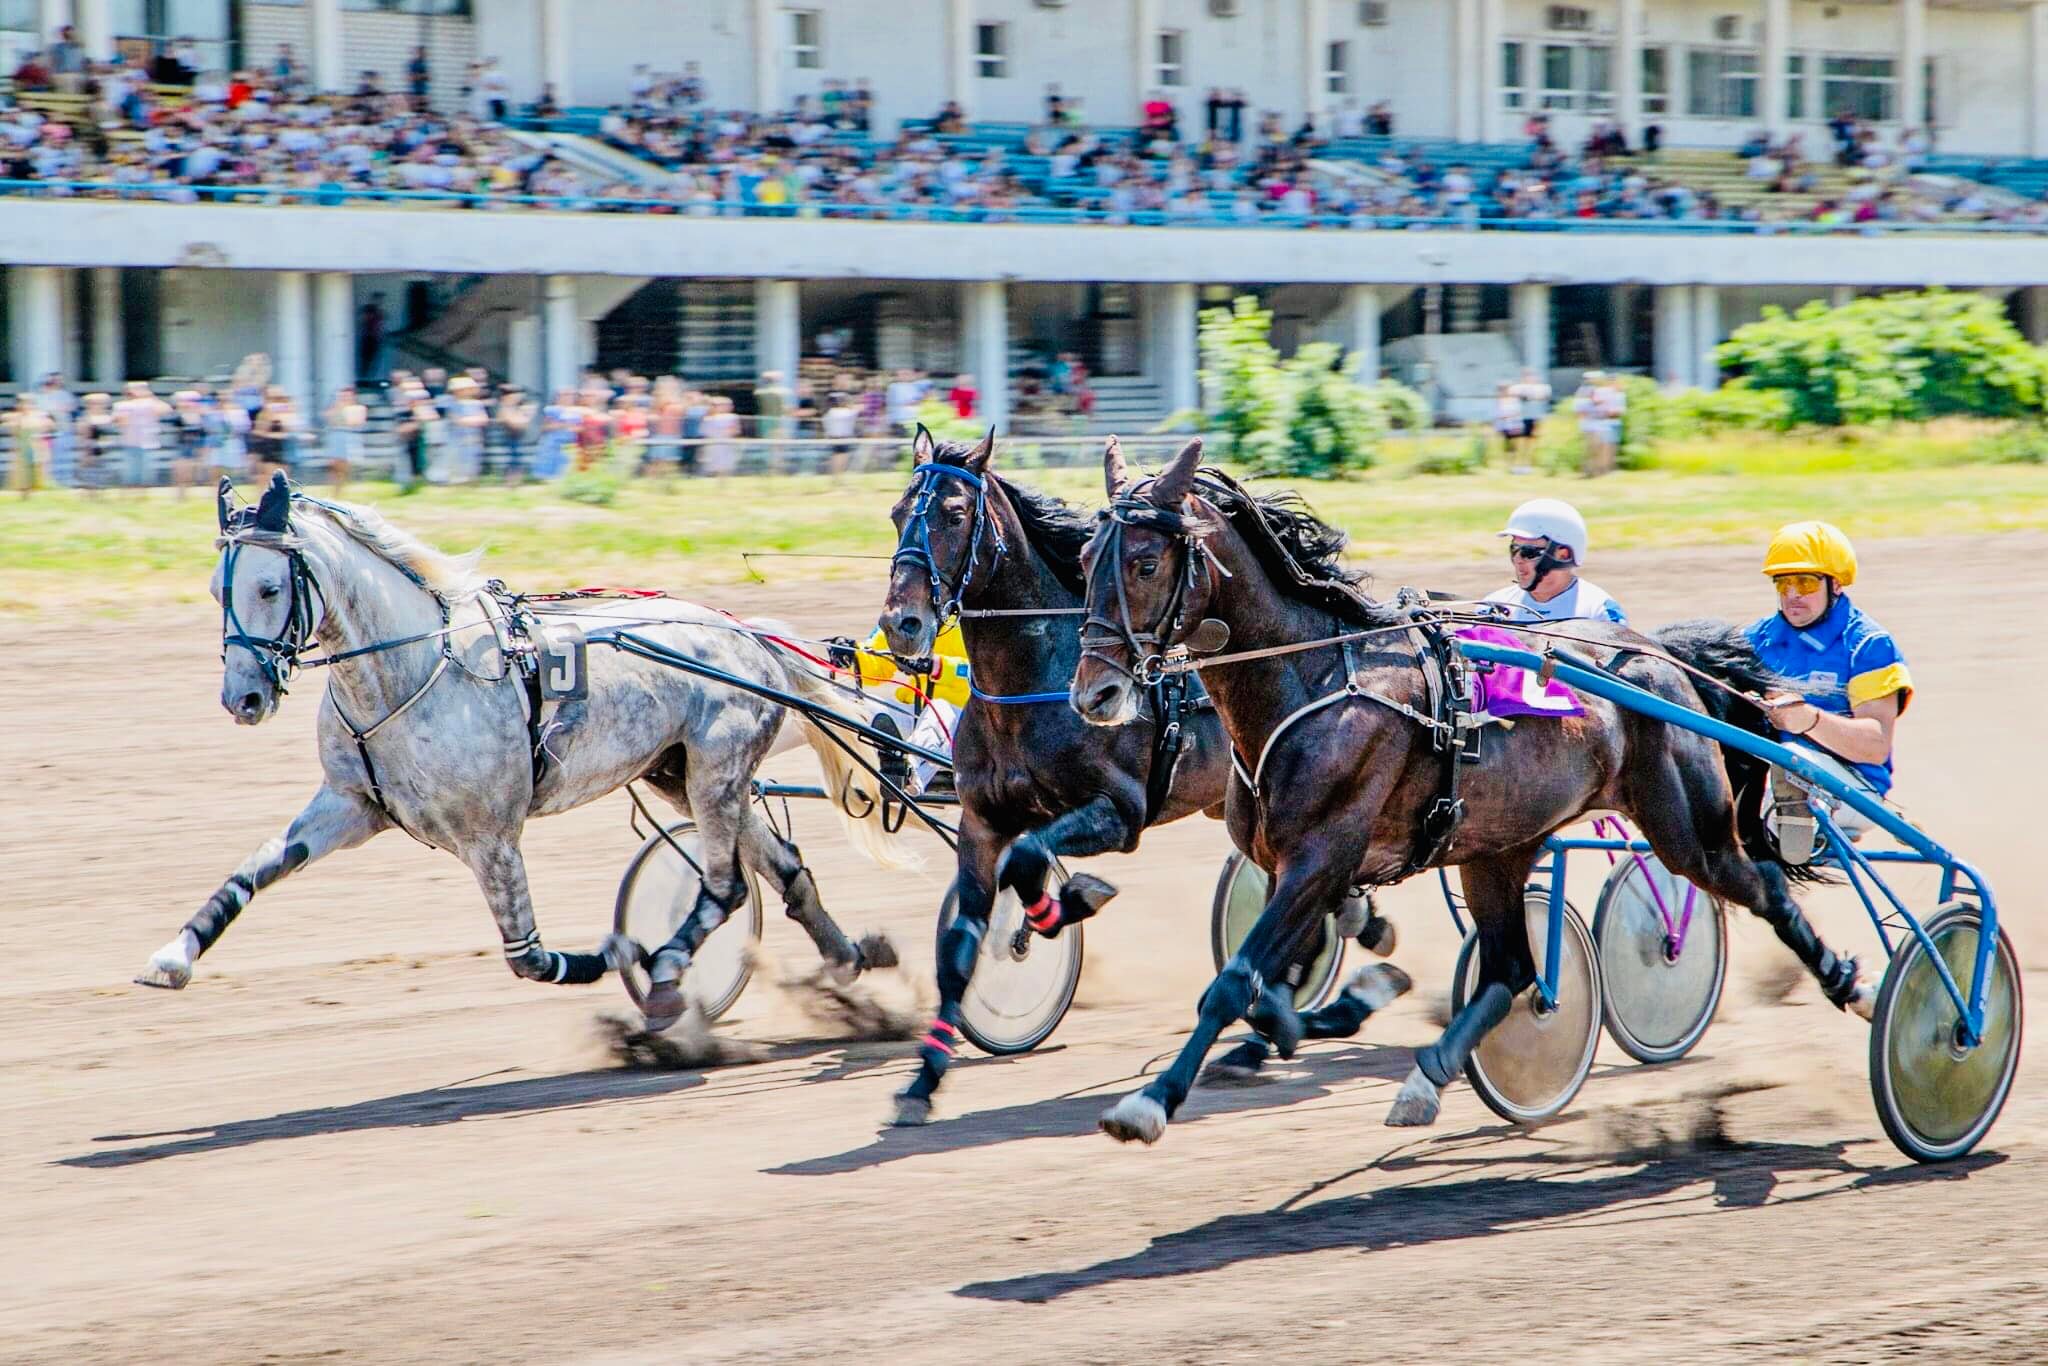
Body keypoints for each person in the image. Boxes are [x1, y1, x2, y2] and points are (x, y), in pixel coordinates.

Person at [1745, 521, 1911, 865]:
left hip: (1853, 788)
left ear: (1835, 584)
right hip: (1765, 777)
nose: (1792, 594)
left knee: (1792, 759)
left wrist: (1809, 720)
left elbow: (1876, 745)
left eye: (1804, 582)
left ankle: (1789, 822)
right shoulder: (1754, 640)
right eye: (1783, 582)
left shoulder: (1869, 645)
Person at [1484, 498, 1627, 625]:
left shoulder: (1598, 612)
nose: (1517, 559)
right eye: (1514, 548)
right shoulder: (1492, 607)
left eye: (1529, 552)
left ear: (1563, 555)